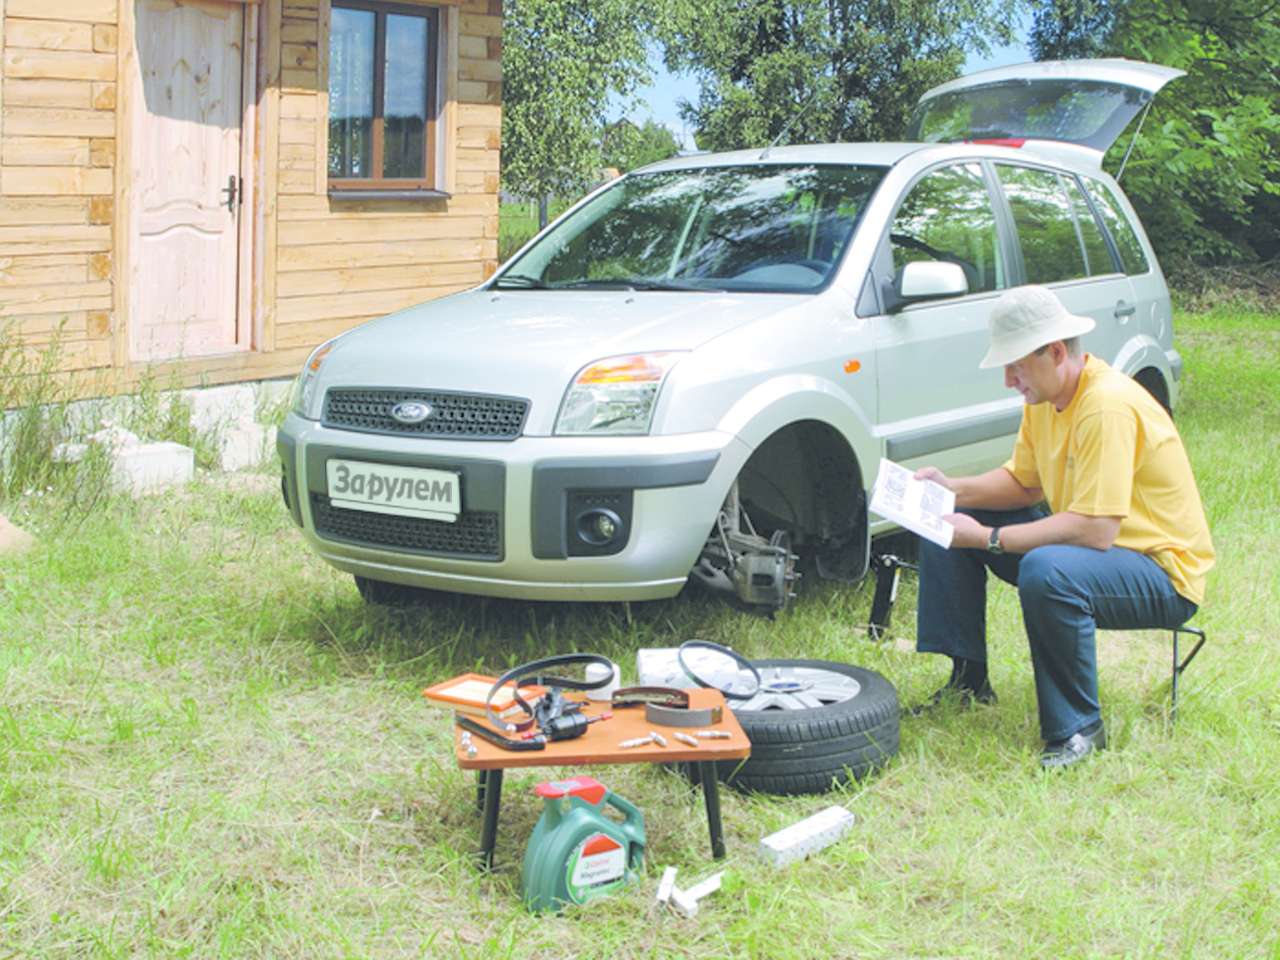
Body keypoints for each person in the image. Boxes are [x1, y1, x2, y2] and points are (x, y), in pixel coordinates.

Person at [912, 285, 1214, 768]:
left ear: (1055, 352)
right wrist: (952, 489)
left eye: (1016, 365)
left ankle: (1078, 729)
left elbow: (1096, 531)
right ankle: (967, 681)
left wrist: (988, 538)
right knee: (942, 518)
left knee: (1048, 569)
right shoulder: (1044, 398)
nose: (1009, 379)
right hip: (1101, 554)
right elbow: (1023, 484)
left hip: (1160, 574)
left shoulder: (1106, 405)